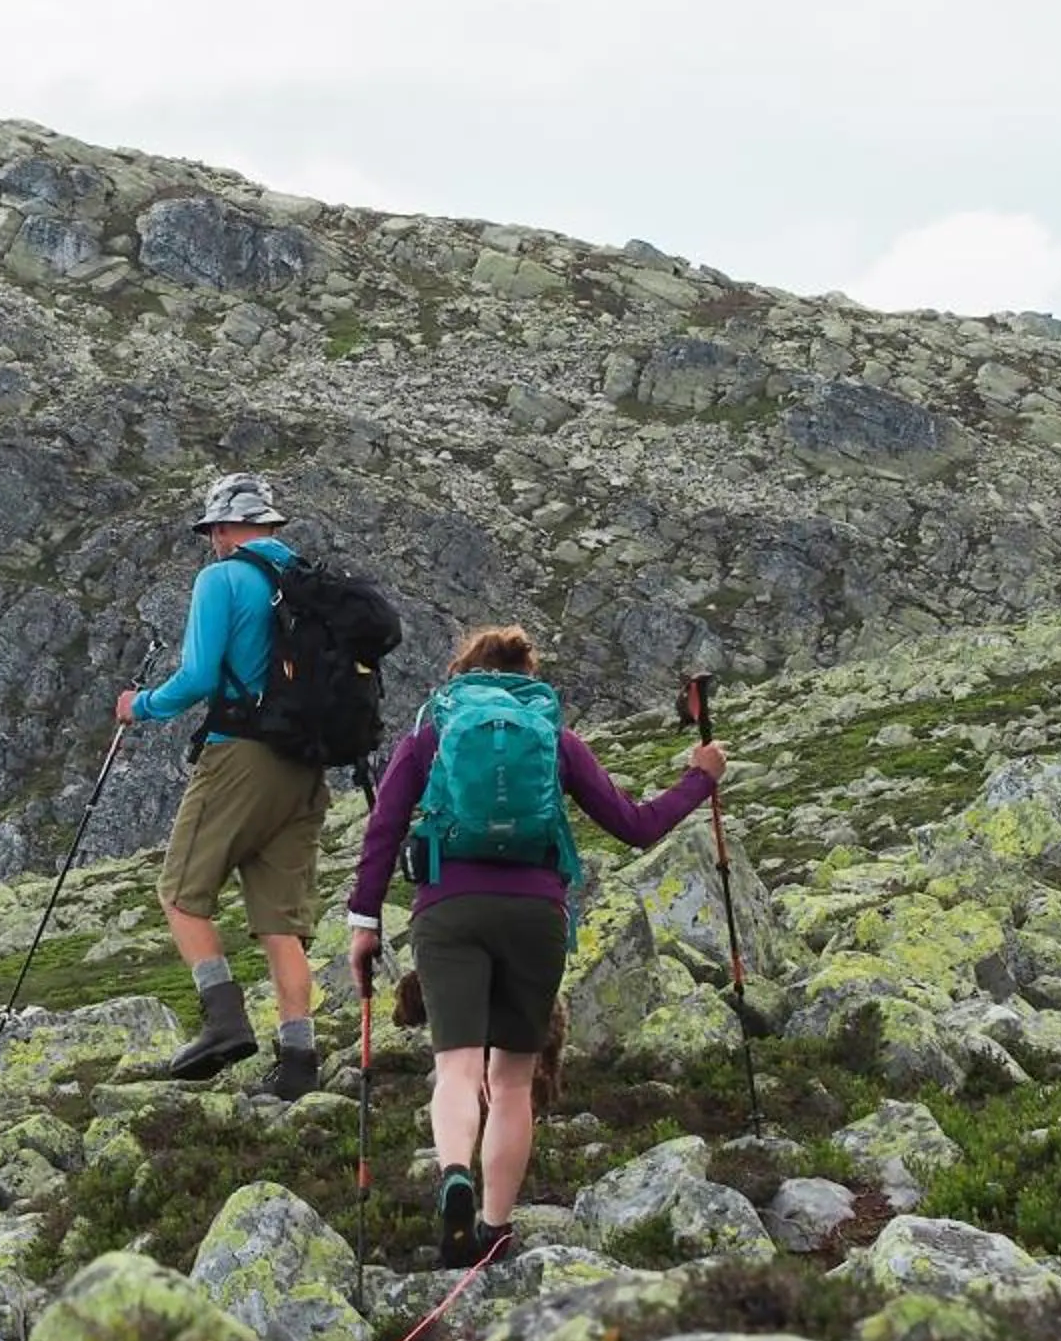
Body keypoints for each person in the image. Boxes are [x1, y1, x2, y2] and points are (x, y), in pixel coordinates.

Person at [345, 626, 727, 1268]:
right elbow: (635, 827)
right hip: (535, 914)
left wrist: (364, 924)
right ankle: (494, 1228)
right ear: (530, 677)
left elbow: (383, 829)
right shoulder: (555, 740)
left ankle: (453, 1176)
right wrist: (699, 778)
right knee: (514, 1080)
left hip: (449, 909)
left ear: (463, 673)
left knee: (459, 1068)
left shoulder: (432, 734)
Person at [116, 471, 330, 1097]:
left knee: (181, 891)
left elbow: (200, 675)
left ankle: (225, 1020)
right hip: (306, 764)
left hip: (241, 754)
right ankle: (297, 1062)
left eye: (213, 531)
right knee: (279, 921)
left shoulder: (223, 577)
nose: (212, 542)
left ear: (228, 527)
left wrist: (142, 705)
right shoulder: (306, 580)